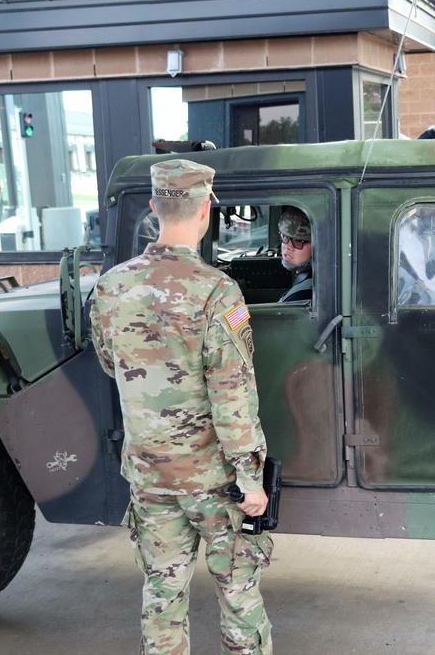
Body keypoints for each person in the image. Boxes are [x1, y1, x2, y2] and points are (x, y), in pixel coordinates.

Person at [89, 159, 273, 655]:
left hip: (150, 477)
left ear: (153, 206)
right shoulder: (218, 291)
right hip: (213, 482)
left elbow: (112, 365)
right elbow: (232, 391)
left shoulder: (110, 287)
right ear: (206, 211)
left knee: (163, 596)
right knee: (238, 594)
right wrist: (250, 478)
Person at [277, 207, 313, 303]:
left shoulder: (304, 294)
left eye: (298, 241)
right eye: (284, 237)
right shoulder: (305, 284)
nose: (287, 246)